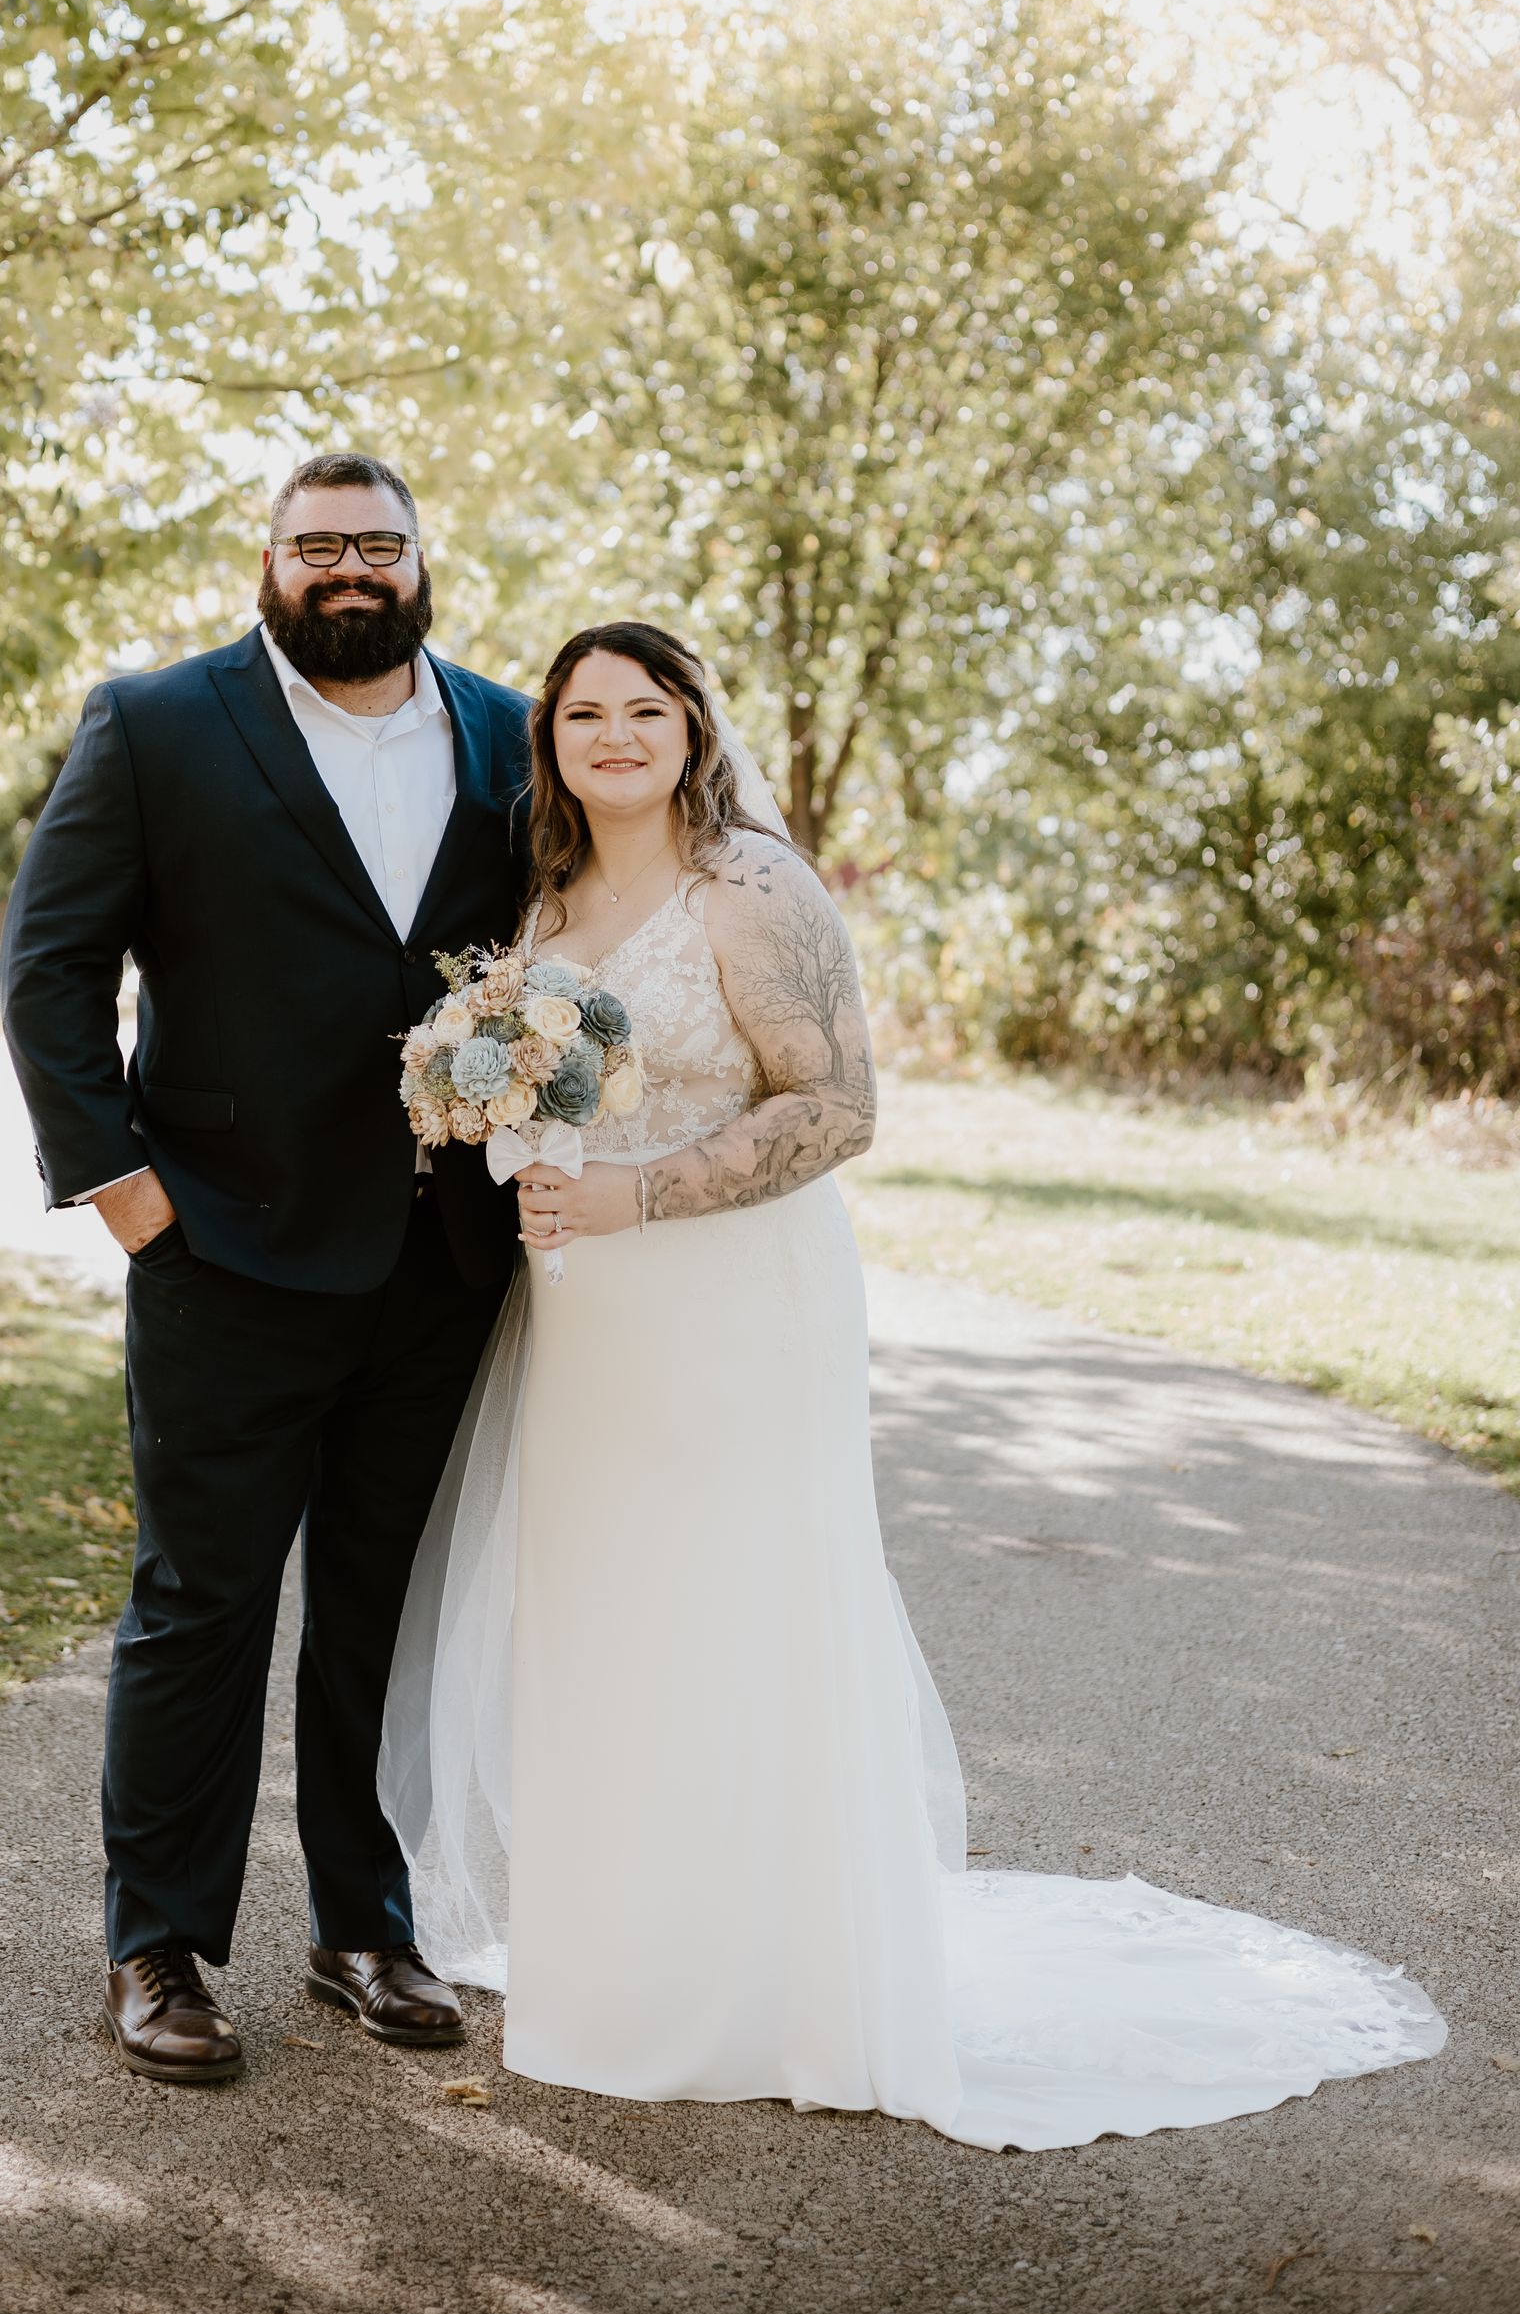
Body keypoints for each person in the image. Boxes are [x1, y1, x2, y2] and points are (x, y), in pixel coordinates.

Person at [379, 620, 1445, 2147]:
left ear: (692, 725)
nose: (612, 736)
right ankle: (631, 1964)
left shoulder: (752, 885)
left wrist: (643, 1193)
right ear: (548, 743)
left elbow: (841, 1104)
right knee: (609, 1614)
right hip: (593, 1312)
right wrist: (527, 1149)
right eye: (581, 715)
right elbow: (553, 1093)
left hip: (734, 1296)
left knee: (745, 1607)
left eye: (644, 709)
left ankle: (784, 1983)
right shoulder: (551, 902)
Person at [0, 451, 530, 2084]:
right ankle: (155, 1946)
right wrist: (126, 1193)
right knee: (200, 1605)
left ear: (424, 559)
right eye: (320, 546)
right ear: (269, 563)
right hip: (219, 1247)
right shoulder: (156, 723)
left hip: (443, 1258)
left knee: (381, 1608)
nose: (351, 568)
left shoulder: (516, 732)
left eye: (381, 542)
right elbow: (51, 965)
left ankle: (364, 1931)